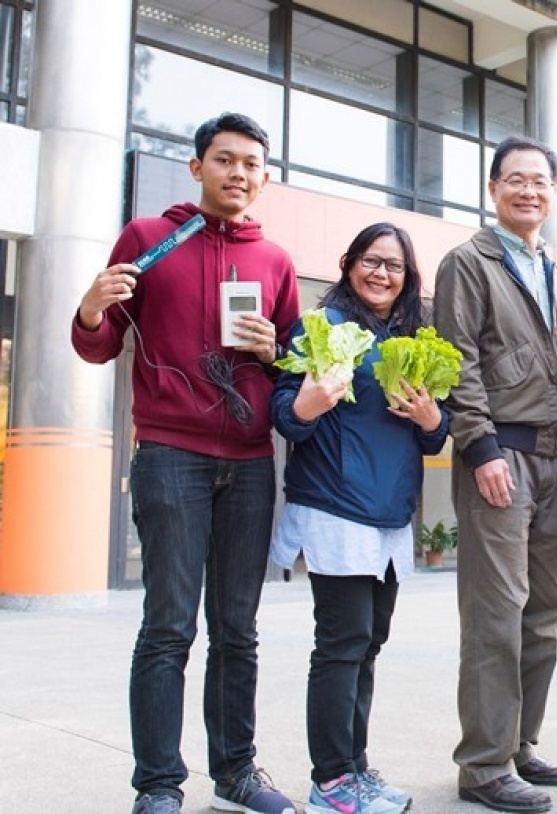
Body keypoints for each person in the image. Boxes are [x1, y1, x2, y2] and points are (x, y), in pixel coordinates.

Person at [70, 113, 300, 814]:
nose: (238, 173)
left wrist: (271, 351)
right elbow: (99, 345)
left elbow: (297, 366)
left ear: (264, 177)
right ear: (196, 168)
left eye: (251, 163)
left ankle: (236, 771)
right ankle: (159, 784)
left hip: (252, 461)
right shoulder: (149, 238)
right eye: (224, 160)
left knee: (239, 628)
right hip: (170, 454)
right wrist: (87, 310)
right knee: (169, 624)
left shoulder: (276, 261)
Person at [268, 222, 449, 814]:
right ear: (349, 265)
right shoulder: (324, 330)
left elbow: (434, 435)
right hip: (336, 507)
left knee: (368, 645)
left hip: (392, 512)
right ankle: (330, 781)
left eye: (395, 266)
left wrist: (431, 420)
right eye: (372, 261)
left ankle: (355, 768)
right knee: (341, 645)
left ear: (408, 277)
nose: (382, 273)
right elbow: (286, 416)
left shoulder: (411, 338)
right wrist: (307, 402)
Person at [433, 135, 557, 814]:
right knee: (497, 612)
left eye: (539, 181)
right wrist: (480, 446)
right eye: (514, 179)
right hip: (502, 455)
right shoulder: (469, 261)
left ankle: (520, 745)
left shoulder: (550, 264)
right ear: (493, 190)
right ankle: (484, 764)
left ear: (552, 193)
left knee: (545, 612)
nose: (528, 191)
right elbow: (457, 357)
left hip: (554, 457)